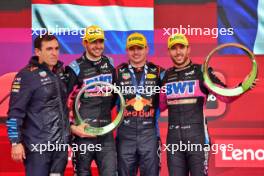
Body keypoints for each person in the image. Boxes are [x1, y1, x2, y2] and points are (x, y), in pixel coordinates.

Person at [160, 33, 256, 176]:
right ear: (169, 51)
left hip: (197, 138)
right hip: (173, 140)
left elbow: (225, 95)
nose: (178, 52)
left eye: (182, 47)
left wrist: (243, 86)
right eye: (174, 48)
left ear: (188, 49)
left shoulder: (202, 72)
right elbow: (159, 105)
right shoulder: (165, 76)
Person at [6, 34, 70, 176]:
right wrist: (15, 142)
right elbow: (14, 113)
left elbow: (62, 109)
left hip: (60, 148)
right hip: (38, 148)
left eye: (56, 48)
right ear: (37, 52)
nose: (54, 53)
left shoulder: (59, 73)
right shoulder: (26, 76)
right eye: (49, 49)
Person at [66, 25, 117, 176]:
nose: (98, 46)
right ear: (85, 43)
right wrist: (72, 127)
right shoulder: (74, 68)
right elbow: (61, 101)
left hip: (106, 133)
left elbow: (115, 95)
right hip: (84, 133)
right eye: (93, 42)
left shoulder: (110, 63)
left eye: (100, 41)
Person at [115, 32, 164, 176]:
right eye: (132, 48)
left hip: (149, 134)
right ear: (127, 51)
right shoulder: (117, 72)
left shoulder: (159, 72)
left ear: (146, 49)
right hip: (125, 135)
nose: (136, 52)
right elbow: (105, 101)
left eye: (139, 48)